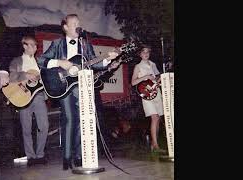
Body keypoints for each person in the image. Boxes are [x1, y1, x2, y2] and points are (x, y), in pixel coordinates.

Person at [37, 14, 118, 170]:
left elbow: (96, 63)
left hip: (82, 87)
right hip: (63, 86)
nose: (77, 25)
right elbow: (41, 60)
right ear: (65, 27)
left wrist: (109, 59)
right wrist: (60, 62)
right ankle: (67, 157)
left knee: (83, 120)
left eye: (78, 23)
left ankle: (79, 156)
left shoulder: (85, 45)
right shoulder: (57, 44)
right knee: (69, 119)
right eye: (74, 23)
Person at [9, 35, 49, 166]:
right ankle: (31, 157)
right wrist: (25, 75)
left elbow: (45, 78)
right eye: (32, 45)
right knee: (26, 129)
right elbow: (12, 78)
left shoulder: (39, 62)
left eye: (36, 45)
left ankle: (40, 155)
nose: (35, 47)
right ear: (24, 45)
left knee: (44, 126)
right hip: (22, 97)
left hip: (38, 97)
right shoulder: (16, 61)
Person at [131, 44, 165, 153]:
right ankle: (155, 146)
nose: (146, 54)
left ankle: (153, 144)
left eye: (148, 52)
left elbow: (156, 78)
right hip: (146, 94)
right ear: (140, 54)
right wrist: (145, 77)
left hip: (156, 92)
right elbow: (133, 82)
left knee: (158, 118)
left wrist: (159, 81)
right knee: (154, 117)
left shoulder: (153, 64)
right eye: (144, 52)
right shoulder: (138, 66)